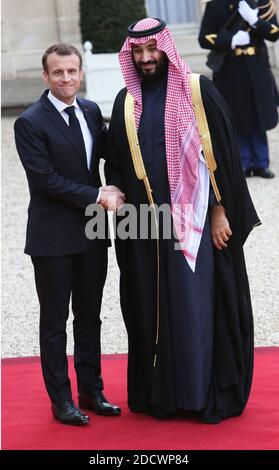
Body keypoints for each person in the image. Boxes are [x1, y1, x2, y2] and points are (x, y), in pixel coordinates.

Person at [105, 18, 261, 424]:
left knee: (193, 306)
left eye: (151, 50)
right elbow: (117, 163)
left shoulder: (197, 91)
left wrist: (220, 211)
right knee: (151, 305)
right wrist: (115, 191)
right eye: (137, 52)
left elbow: (222, 157)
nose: (145, 58)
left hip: (195, 222)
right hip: (146, 228)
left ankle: (199, 394)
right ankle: (165, 396)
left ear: (166, 49)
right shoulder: (125, 102)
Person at [14, 43, 124, 425]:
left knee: (90, 317)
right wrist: (98, 194)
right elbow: (45, 182)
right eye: (57, 72)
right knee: (54, 323)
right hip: (52, 237)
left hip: (92, 232)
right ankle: (61, 401)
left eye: (72, 71)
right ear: (46, 76)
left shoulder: (92, 110)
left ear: (81, 73)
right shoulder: (29, 122)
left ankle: (92, 392)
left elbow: (111, 157)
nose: (66, 78)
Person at [199, 0, 279, 178]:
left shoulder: (261, 3)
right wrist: (231, 40)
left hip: (257, 68)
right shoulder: (215, 6)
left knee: (259, 115)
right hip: (231, 71)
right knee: (236, 116)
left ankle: (260, 163)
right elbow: (204, 38)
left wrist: (255, 21)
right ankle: (242, 163)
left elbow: (274, 33)